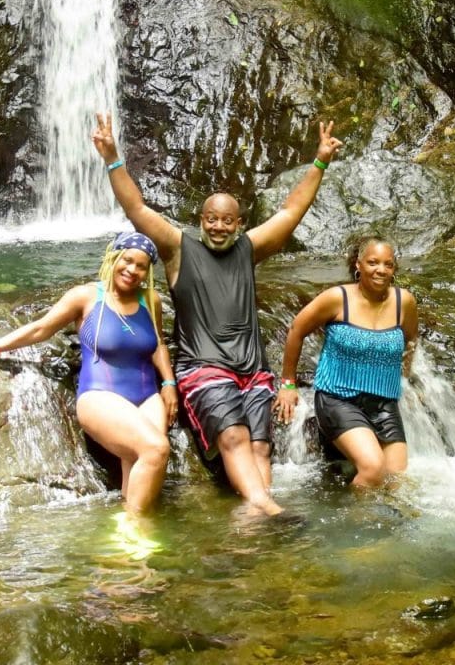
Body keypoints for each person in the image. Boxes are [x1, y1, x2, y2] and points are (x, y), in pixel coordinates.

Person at [92, 111, 343, 517]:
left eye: (228, 221)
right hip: (204, 369)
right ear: (201, 221)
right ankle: (265, 504)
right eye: (212, 219)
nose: (219, 227)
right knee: (233, 435)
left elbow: (289, 213)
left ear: (239, 224)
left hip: (253, 370)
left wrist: (320, 162)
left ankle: (251, 521)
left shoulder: (249, 249)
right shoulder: (178, 250)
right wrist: (112, 158)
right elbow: (137, 208)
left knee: (260, 444)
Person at [0, 232, 179, 520]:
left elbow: (157, 344)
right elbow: (41, 329)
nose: (132, 270)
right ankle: (136, 531)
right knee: (155, 449)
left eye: (141, 266)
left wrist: (168, 383)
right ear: (113, 258)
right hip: (101, 396)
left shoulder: (149, 299)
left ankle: (130, 557)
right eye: (126, 260)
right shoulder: (87, 296)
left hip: (147, 396)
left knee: (138, 459)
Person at [274, 236, 418, 488]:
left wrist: (405, 374)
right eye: (373, 262)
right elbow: (297, 329)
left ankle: (383, 526)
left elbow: (411, 339)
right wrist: (288, 384)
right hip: (338, 399)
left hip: (384, 403)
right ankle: (358, 524)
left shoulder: (403, 301)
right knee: (373, 471)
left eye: (388, 264)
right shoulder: (337, 298)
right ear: (358, 265)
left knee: (398, 481)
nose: (380, 270)